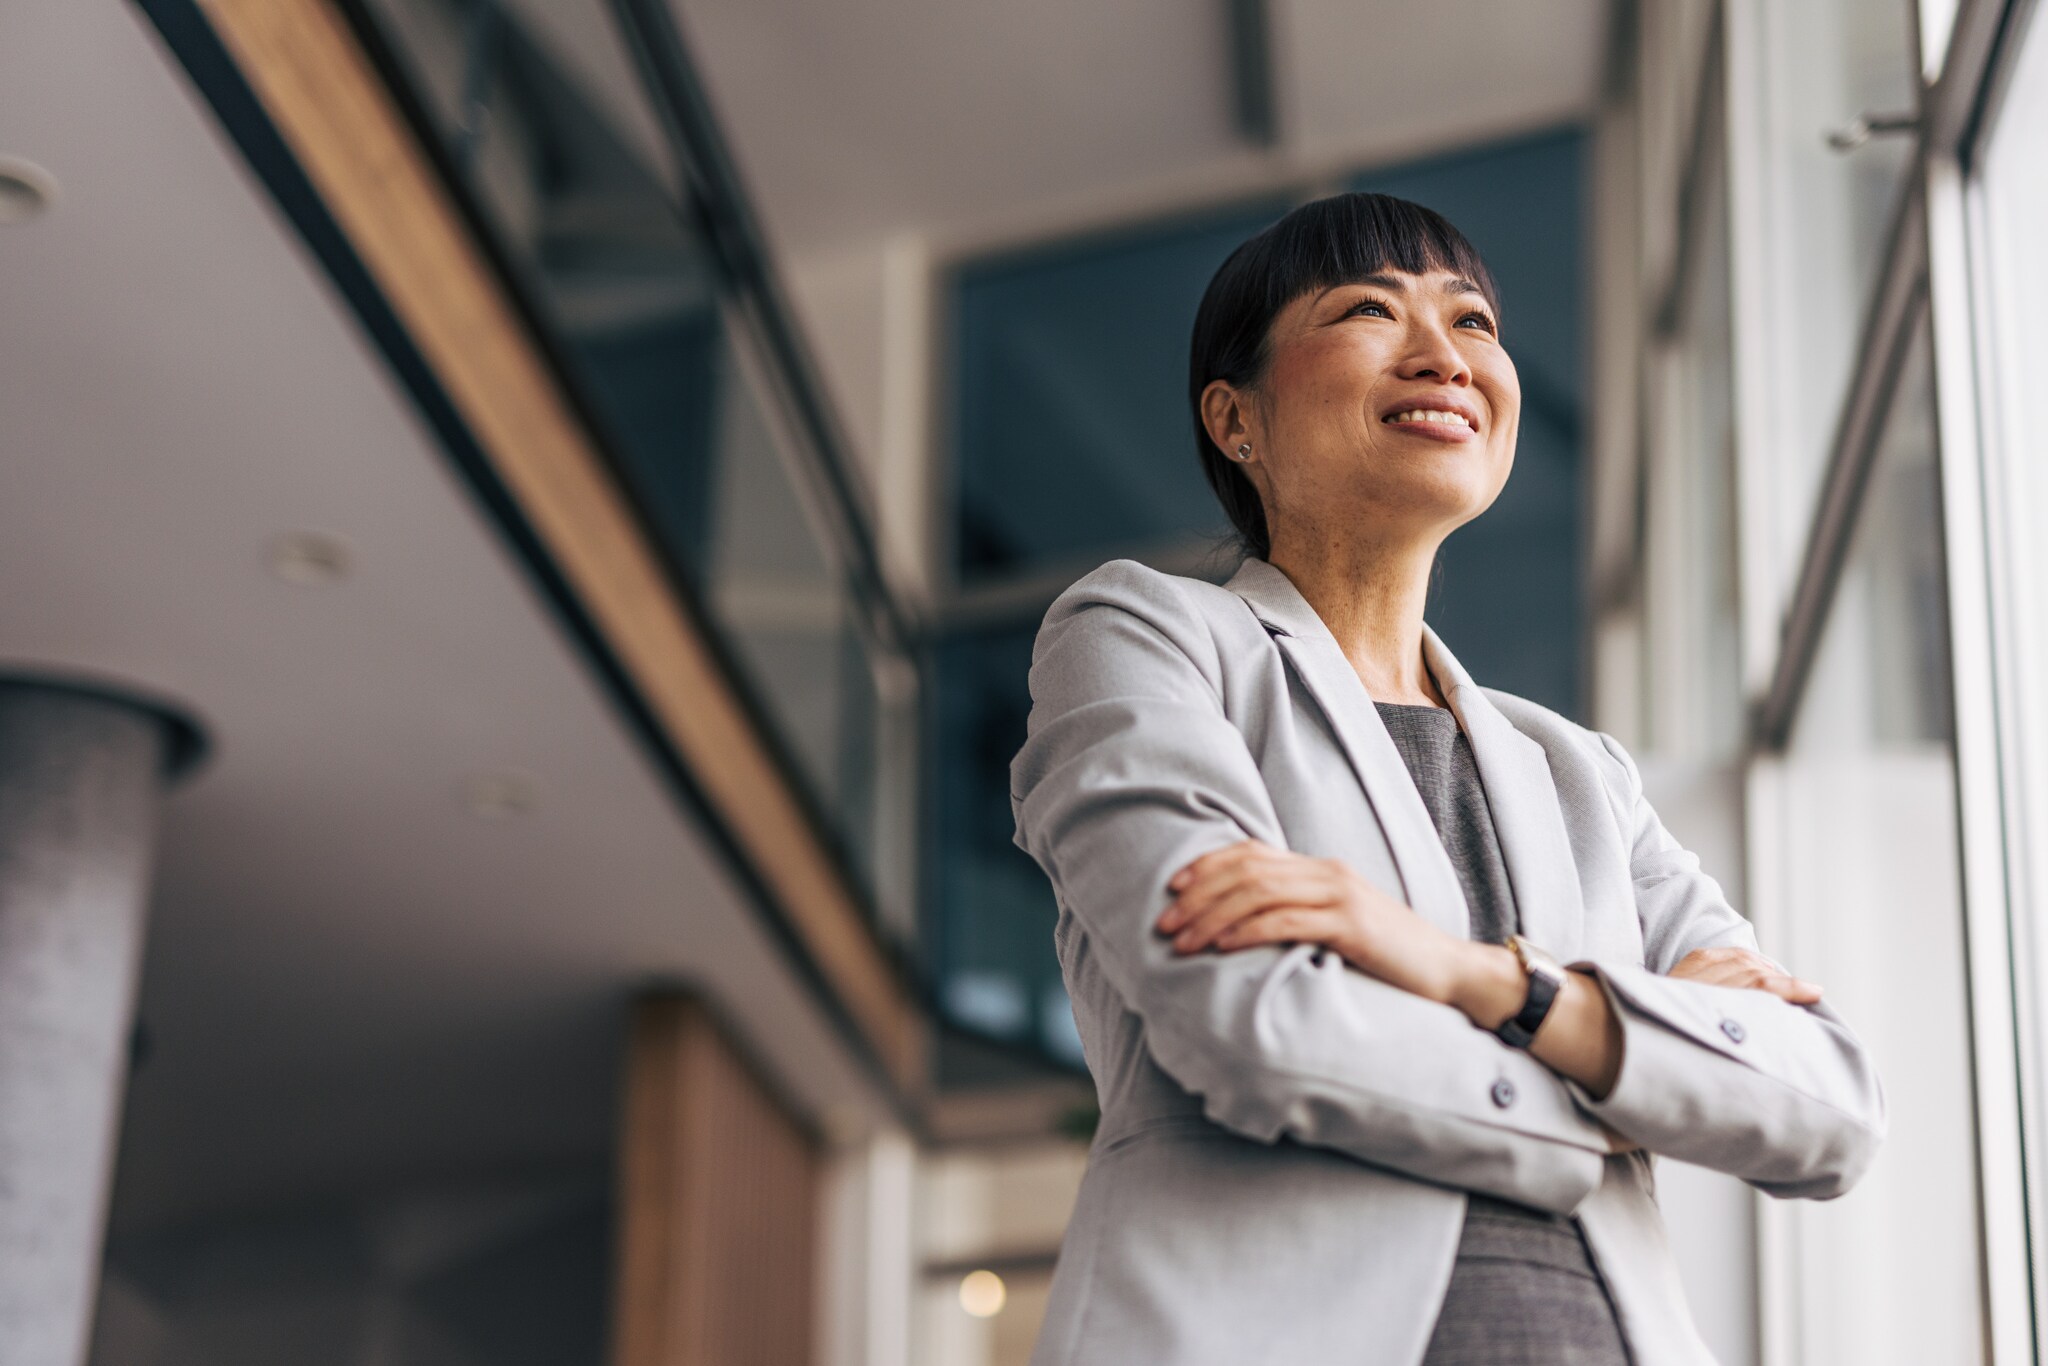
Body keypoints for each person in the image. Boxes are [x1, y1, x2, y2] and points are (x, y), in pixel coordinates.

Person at [1007, 192, 1885, 1366]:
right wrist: (1627, 1067)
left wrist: (1475, 978)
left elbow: (1823, 1106)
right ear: (1234, 419)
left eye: (1472, 320)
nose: (1445, 354)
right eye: (1369, 307)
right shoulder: (1142, 636)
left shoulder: (1579, 772)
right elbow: (1253, 1023)